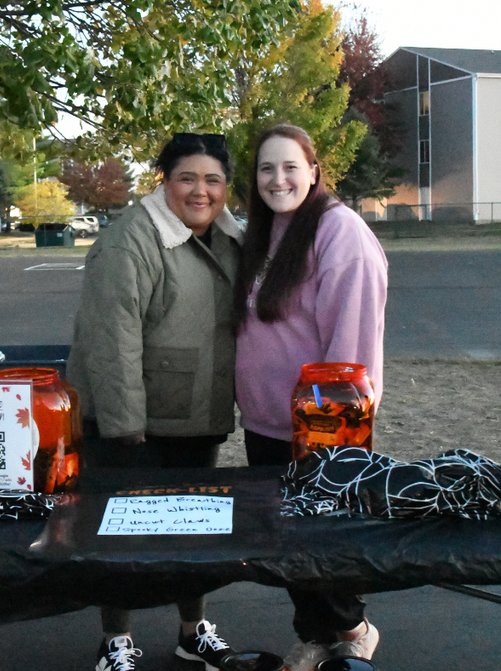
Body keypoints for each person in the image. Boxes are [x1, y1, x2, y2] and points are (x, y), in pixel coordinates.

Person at [67, 132, 245, 671]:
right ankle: (115, 640)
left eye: (213, 180)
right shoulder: (130, 241)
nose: (200, 190)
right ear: (164, 181)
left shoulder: (231, 236)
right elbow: (111, 335)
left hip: (196, 412)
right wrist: (124, 423)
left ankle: (194, 631)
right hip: (133, 421)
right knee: (123, 534)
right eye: (186, 178)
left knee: (194, 530)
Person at [233, 124, 388, 671]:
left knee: (324, 540)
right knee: (288, 544)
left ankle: (353, 629)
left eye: (290, 167)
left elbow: (353, 339)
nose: (278, 179)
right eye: (266, 169)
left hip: (323, 429)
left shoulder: (339, 232)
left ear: (314, 171)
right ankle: (315, 635)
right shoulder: (267, 232)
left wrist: (334, 428)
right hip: (266, 422)